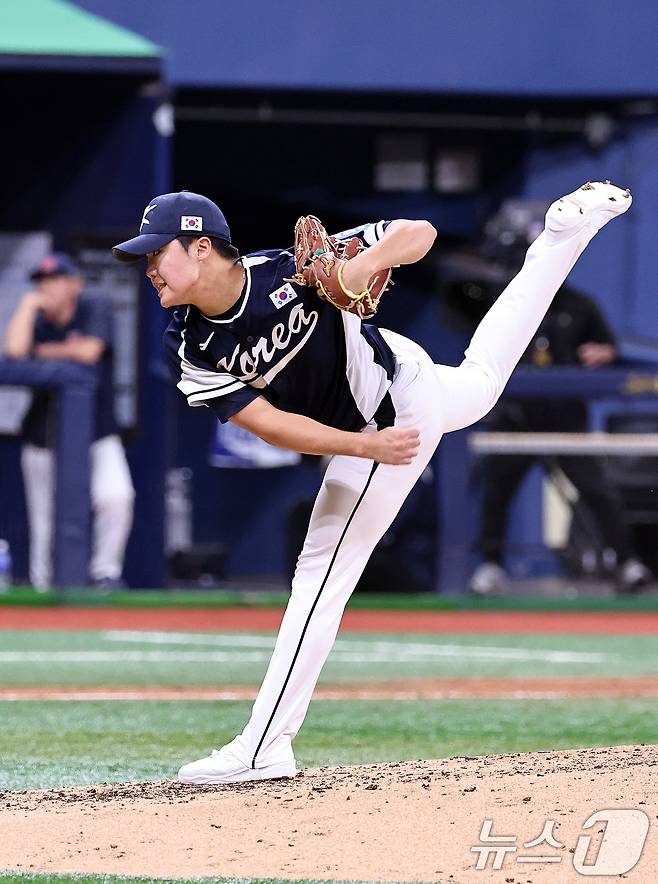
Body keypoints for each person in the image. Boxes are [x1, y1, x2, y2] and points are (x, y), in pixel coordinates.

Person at [113, 181, 631, 784]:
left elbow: (420, 234)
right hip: (384, 415)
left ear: (201, 247)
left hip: (392, 407)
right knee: (484, 380)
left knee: (321, 574)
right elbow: (272, 425)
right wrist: (361, 446)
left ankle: (263, 749)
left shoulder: (290, 269)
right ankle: (564, 237)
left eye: (157, 252)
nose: (149, 267)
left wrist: (356, 265)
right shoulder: (191, 343)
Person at [469, 284, 653, 596]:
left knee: (597, 490)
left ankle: (627, 563)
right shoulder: (512, 300)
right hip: (517, 417)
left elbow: (607, 347)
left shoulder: (580, 304)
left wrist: (604, 353)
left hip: (566, 418)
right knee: (497, 491)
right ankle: (490, 565)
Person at [3, 253, 134, 589]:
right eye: (41, 281)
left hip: (98, 432)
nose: (47, 287)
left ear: (74, 283)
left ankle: (105, 573)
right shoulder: (36, 317)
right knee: (44, 520)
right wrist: (28, 306)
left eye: (55, 280)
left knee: (117, 498)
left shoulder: (94, 306)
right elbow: (15, 353)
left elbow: (89, 352)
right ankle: (44, 586)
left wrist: (41, 352)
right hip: (41, 434)